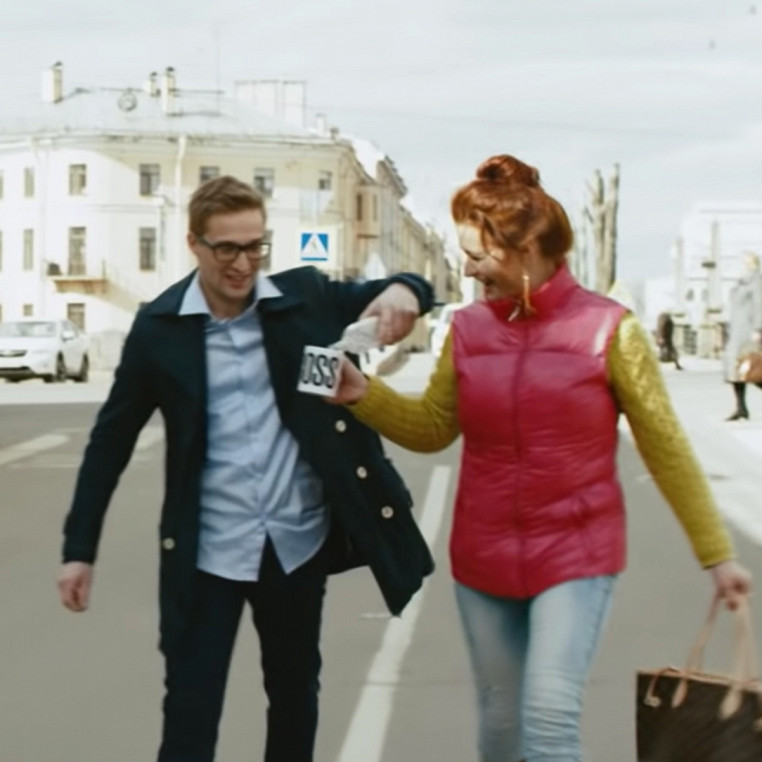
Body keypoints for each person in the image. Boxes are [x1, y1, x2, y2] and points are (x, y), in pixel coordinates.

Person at [330, 155, 752, 762]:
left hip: (577, 556)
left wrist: (717, 554)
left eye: (477, 255)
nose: (466, 268)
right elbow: (433, 428)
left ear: (524, 250)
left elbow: (666, 447)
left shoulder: (612, 331)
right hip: (484, 556)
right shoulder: (467, 331)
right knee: (502, 730)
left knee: (550, 720)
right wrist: (362, 394)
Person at [57, 175, 435, 762]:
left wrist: (406, 290)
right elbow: (111, 441)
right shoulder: (160, 329)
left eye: (255, 247)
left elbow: (400, 289)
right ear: (194, 244)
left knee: (293, 698)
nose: (243, 264)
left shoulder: (302, 298)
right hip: (208, 551)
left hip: (294, 543)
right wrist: (79, 548)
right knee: (190, 709)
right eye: (227, 248)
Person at [723, 251, 762, 420]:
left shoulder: (757, 281)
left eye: (745, 263)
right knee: (736, 370)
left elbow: (760, 305)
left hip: (748, 333)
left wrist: (758, 329)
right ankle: (741, 407)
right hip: (737, 333)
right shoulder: (741, 283)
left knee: (753, 369)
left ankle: (741, 408)